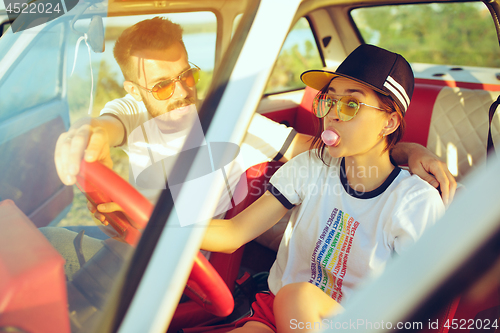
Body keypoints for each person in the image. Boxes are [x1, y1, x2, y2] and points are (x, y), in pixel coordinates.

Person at [51, 17, 454, 276]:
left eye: (187, 75)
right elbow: (106, 126)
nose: (180, 92)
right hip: (136, 241)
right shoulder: (132, 111)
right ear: (136, 91)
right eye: (160, 85)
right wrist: (90, 137)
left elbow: (319, 147)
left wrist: (407, 151)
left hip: (169, 267)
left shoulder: (233, 124)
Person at [199, 44, 445, 333]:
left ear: (389, 122)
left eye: (351, 105)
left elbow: (418, 307)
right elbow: (233, 234)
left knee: (299, 296)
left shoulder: (415, 202)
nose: (332, 115)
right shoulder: (311, 166)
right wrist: (156, 231)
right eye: (329, 100)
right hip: (277, 311)